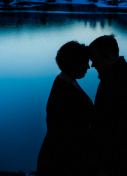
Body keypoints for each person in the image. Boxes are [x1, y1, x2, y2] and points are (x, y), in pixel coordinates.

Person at [89, 34, 127, 176]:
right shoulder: (123, 76)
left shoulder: (116, 82)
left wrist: (103, 167)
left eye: (95, 59)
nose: (92, 65)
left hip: (122, 166)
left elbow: (112, 131)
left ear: (108, 57)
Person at [37, 41, 94, 176]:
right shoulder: (63, 92)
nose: (88, 67)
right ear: (74, 63)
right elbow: (71, 136)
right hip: (61, 162)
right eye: (84, 62)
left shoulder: (69, 81)